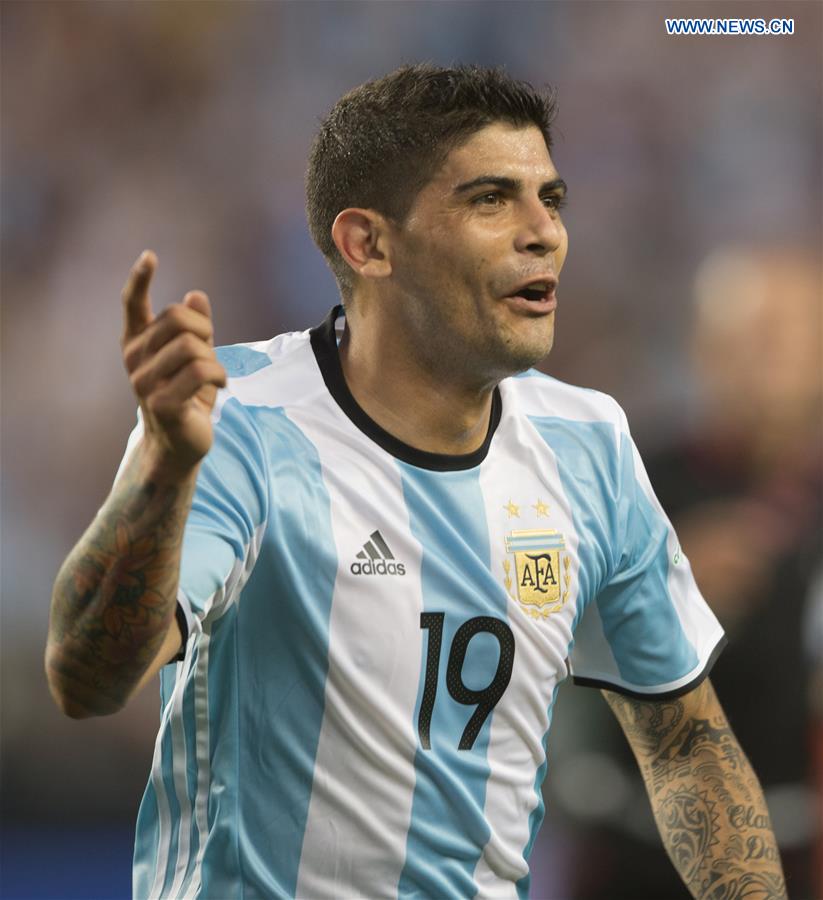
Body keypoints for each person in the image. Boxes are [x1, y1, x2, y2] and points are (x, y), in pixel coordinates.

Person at [46, 64, 787, 900]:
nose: (543, 232)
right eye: (489, 199)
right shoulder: (235, 425)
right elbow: (86, 678)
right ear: (368, 243)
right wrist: (164, 474)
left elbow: (685, 745)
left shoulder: (589, 445)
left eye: (551, 198)